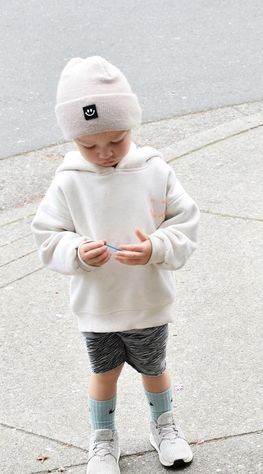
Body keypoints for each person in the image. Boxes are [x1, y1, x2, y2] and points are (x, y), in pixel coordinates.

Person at [31, 56, 200, 473]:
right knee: (103, 374)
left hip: (146, 299)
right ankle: (103, 439)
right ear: (73, 140)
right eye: (89, 145)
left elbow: (185, 220)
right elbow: (47, 232)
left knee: (154, 368)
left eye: (117, 140)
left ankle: (164, 426)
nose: (104, 153)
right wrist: (74, 251)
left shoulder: (154, 170)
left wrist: (156, 247)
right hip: (98, 305)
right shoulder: (68, 180)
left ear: (132, 128)